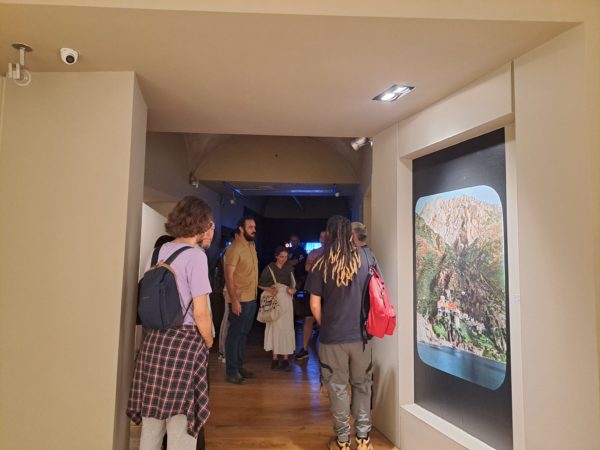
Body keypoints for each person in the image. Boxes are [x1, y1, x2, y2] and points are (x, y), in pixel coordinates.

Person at [127, 196, 215, 450]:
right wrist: (209, 341)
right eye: (210, 224)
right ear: (200, 223)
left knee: (151, 427)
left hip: (154, 343)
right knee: (181, 426)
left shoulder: (158, 252)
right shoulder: (196, 257)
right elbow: (201, 312)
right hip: (184, 345)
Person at [305, 215, 380, 450]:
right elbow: (377, 292)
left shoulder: (320, 263)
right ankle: (364, 439)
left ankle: (343, 442)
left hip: (332, 338)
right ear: (349, 234)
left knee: (337, 389)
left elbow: (314, 305)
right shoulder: (367, 258)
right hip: (361, 336)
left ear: (328, 235)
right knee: (362, 385)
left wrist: (325, 325)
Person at [223, 217, 259, 384]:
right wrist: (234, 300)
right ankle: (231, 372)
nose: (254, 229)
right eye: (250, 227)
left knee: (243, 334)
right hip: (240, 299)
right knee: (235, 335)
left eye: (254, 227)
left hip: (251, 297)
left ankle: (239, 366)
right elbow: (229, 277)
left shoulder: (251, 246)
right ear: (241, 229)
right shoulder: (234, 249)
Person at [258, 246, 297, 371]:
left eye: (285, 257)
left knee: (286, 328)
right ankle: (274, 359)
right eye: (281, 257)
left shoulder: (289, 269)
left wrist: (293, 290)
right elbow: (259, 284)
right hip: (274, 300)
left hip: (286, 301)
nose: (283, 259)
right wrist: (269, 289)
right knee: (274, 327)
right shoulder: (270, 268)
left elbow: (294, 285)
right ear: (276, 256)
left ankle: (285, 359)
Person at [295, 230, 327, 361]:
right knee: (309, 318)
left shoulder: (334, 253)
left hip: (328, 290)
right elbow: (307, 267)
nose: (323, 239)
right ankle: (304, 348)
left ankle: (328, 350)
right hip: (314, 288)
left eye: (326, 237)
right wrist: (318, 263)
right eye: (321, 237)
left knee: (327, 318)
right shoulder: (314, 252)